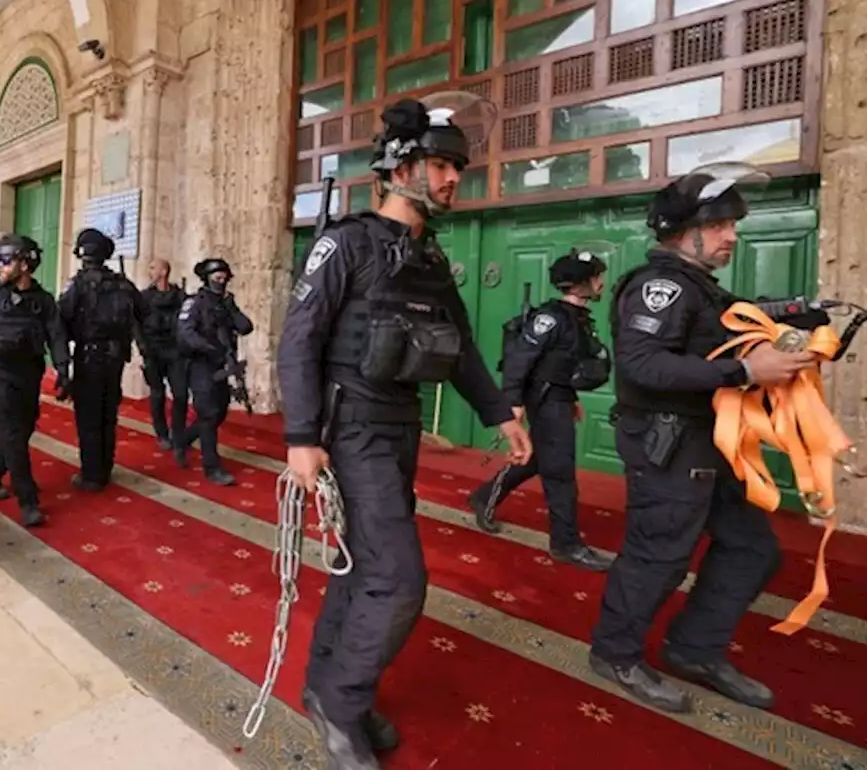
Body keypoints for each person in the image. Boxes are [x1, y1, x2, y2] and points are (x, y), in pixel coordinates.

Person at [277, 94, 533, 769]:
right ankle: (340, 699)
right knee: (398, 579)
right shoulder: (344, 243)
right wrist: (301, 435)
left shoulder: (429, 259)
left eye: (458, 168)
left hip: (399, 429)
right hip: (350, 426)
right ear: (398, 165)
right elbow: (297, 342)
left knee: (361, 566)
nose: (454, 179)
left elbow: (464, 349)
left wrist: (500, 412)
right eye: (441, 164)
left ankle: (326, 685)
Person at [588, 163, 811, 713]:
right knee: (659, 556)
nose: (732, 235)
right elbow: (642, 365)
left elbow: (713, 349)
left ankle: (693, 649)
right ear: (682, 230)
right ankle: (614, 652)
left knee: (753, 549)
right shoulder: (660, 287)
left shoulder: (704, 290)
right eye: (719, 225)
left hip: (715, 441)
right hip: (669, 444)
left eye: (732, 225)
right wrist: (744, 373)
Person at [466, 249, 612, 571]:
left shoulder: (576, 317)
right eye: (597, 277)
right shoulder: (550, 318)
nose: (601, 283)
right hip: (544, 400)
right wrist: (513, 403)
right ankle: (566, 544)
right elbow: (520, 359)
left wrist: (570, 397)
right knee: (560, 471)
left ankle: (483, 497)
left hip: (557, 398)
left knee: (537, 460)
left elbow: (563, 364)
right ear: (580, 283)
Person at [0, 234, 70, 525]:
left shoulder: (43, 301)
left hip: (30, 374)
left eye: (6, 261)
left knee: (22, 431)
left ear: (25, 265)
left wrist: (63, 369)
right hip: (0, 375)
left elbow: (57, 335)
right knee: (12, 434)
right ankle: (28, 501)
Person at [58, 228, 147, 492]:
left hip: (89, 356)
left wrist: (62, 363)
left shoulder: (78, 284)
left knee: (89, 416)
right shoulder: (123, 283)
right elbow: (144, 313)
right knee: (109, 414)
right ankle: (105, 468)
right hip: (116, 357)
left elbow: (60, 320)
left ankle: (91, 475)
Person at [173, 258, 254, 484]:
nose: (221, 279)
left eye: (224, 275)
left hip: (223, 367)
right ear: (206, 278)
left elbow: (246, 327)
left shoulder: (227, 303)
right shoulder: (195, 303)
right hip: (201, 366)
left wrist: (231, 309)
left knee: (218, 414)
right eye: (216, 275)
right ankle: (212, 467)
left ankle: (183, 440)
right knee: (208, 415)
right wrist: (210, 349)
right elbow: (186, 334)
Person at [138, 259, 189, 451]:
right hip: (153, 351)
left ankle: (178, 434)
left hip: (175, 351)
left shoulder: (180, 297)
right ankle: (162, 433)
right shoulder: (144, 298)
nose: (149, 271)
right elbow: (136, 323)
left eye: (153, 267)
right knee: (157, 394)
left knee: (181, 394)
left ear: (164, 271)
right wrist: (142, 345)